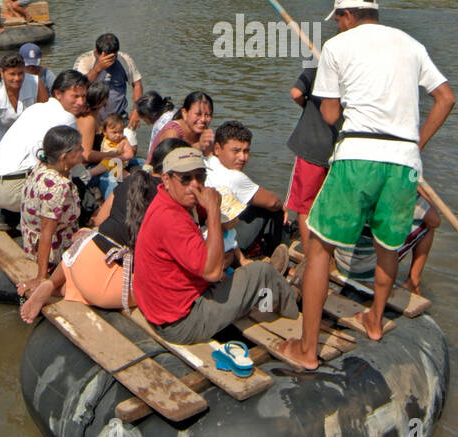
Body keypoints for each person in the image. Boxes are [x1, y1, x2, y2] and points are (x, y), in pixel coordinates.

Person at [281, 0, 454, 370]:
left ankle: (308, 349)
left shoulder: (337, 48)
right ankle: (374, 320)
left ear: (347, 16)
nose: (338, 27)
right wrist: (416, 143)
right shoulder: (411, 44)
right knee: (387, 245)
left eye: (338, 20)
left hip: (357, 154)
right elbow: (446, 98)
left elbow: (328, 114)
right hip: (404, 160)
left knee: (321, 248)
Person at [132, 147, 298, 346]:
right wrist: (212, 209)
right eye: (186, 179)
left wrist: (212, 207)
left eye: (200, 177)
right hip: (182, 322)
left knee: (241, 268)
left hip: (165, 308)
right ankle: (293, 302)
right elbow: (211, 272)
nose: (194, 185)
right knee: (260, 271)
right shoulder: (171, 219)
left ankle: (268, 299)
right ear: (166, 180)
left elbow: (227, 224)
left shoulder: (166, 200)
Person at [19, 138, 188, 322]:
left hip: (80, 258)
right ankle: (63, 290)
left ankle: (52, 284)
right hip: (109, 284)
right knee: (158, 287)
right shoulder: (172, 201)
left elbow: (99, 220)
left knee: (93, 232)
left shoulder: (133, 179)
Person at [0, 70, 88, 214]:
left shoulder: (35, 108)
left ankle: (7, 216)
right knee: (68, 173)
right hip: (11, 193)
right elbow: (70, 163)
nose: (81, 102)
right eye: (75, 96)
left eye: (83, 97)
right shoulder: (67, 118)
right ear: (58, 94)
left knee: (40, 159)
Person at [204, 120, 285, 265]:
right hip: (222, 241)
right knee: (273, 209)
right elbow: (273, 202)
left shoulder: (207, 162)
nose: (242, 157)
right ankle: (273, 254)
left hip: (207, 234)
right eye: (236, 151)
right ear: (217, 149)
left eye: (246, 151)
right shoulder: (235, 177)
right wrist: (283, 207)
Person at [285, 56, 339, 275]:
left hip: (311, 145)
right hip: (340, 146)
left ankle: (310, 259)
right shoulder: (357, 65)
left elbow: (296, 93)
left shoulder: (318, 62)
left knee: (304, 206)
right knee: (330, 204)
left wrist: (309, 108)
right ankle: (330, 256)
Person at [15, 125, 83, 298]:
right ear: (64, 157)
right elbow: (47, 233)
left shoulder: (42, 165)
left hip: (34, 236)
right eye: (78, 149)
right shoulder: (57, 188)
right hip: (54, 248)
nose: (83, 151)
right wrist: (41, 276)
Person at [0, 53, 46, 165]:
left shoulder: (36, 83)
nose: (17, 78)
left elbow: (45, 118)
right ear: (2, 73)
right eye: (12, 74)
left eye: (20, 73)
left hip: (25, 137)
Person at [73, 34, 144, 127]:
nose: (108, 61)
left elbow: (137, 84)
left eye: (111, 58)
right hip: (91, 116)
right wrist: (97, 69)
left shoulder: (124, 59)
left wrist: (136, 110)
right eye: (105, 57)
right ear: (97, 51)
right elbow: (77, 87)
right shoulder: (85, 60)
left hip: (119, 118)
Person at [78, 78, 136, 189]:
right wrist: (112, 154)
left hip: (107, 158)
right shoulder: (89, 119)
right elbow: (86, 154)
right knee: (114, 180)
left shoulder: (97, 116)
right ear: (103, 100)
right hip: (92, 165)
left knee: (140, 162)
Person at [149, 90, 215, 156]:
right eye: (198, 114)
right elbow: (174, 160)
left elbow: (210, 158)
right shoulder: (172, 132)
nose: (203, 119)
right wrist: (199, 146)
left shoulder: (203, 132)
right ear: (184, 113)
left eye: (207, 115)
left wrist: (208, 147)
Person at [87, 113, 129, 197]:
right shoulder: (105, 139)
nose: (118, 135)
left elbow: (130, 154)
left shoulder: (123, 141)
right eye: (114, 132)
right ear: (105, 132)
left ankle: (90, 173)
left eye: (121, 132)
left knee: (108, 162)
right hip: (109, 166)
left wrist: (116, 156)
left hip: (119, 164)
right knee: (107, 165)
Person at [137, 91, 176, 162]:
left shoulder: (159, 125)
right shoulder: (173, 112)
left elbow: (152, 153)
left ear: (151, 115)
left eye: (143, 118)